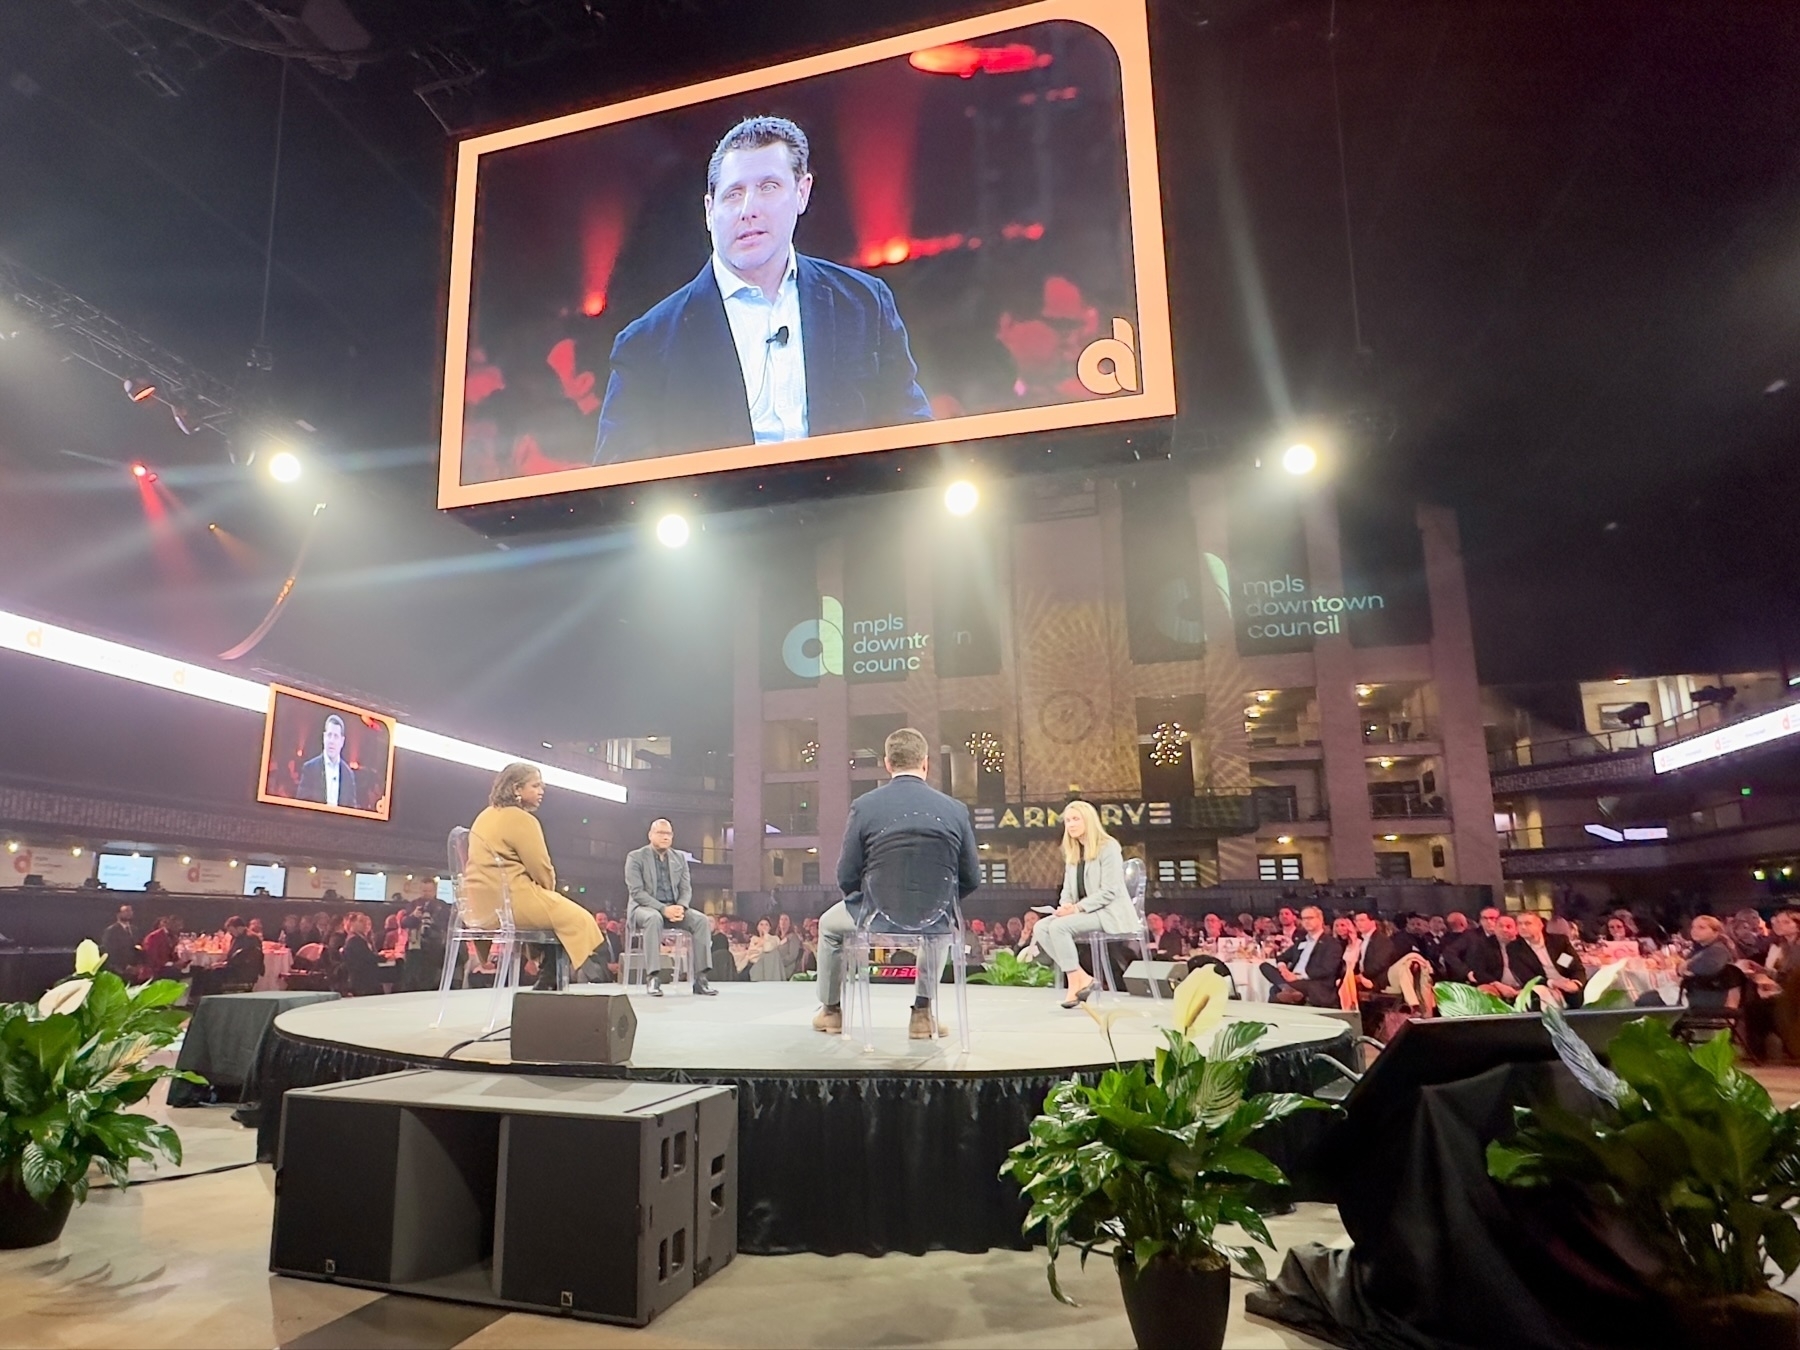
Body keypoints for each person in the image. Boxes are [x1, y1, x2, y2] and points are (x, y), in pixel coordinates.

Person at [593, 115, 931, 466]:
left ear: (802, 193)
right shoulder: (647, 345)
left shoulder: (864, 305)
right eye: (733, 194)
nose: (748, 210)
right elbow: (620, 486)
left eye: (768, 188)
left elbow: (913, 436)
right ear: (710, 211)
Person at [813, 728, 979, 1039]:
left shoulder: (865, 806)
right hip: (933, 914)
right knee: (940, 926)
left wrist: (861, 901)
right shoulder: (955, 810)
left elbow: (846, 873)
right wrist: (939, 903)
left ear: (888, 763)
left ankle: (831, 1012)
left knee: (828, 926)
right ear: (925, 763)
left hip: (874, 912)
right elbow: (972, 877)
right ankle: (922, 1014)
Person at [465, 762, 602, 986]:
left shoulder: (483, 816)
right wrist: (548, 892)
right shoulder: (523, 819)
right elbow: (541, 869)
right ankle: (571, 973)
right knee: (579, 918)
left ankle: (550, 975)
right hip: (510, 902)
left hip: (478, 906)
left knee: (552, 915)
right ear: (517, 789)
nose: (541, 792)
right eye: (536, 786)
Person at [1028, 802, 1138, 1009]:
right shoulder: (1072, 851)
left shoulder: (1108, 846)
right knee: (1041, 927)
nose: (1071, 824)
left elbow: (1110, 890)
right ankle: (1081, 976)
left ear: (1089, 820)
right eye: (1068, 821)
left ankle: (1073, 982)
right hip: (1083, 911)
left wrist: (1076, 909)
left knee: (1059, 927)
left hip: (1108, 911)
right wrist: (1064, 907)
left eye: (1076, 819)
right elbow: (1068, 891)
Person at [624, 819, 717, 996]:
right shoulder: (635, 857)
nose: (665, 837)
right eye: (661, 833)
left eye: (668, 834)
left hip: (673, 909)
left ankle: (700, 979)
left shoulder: (679, 858)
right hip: (643, 908)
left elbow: (685, 888)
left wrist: (681, 907)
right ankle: (653, 978)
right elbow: (637, 892)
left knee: (701, 920)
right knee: (654, 918)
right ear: (650, 835)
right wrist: (662, 909)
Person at [1260, 905, 1344, 1007]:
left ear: (1320, 919)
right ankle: (1287, 988)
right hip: (1291, 978)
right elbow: (1282, 957)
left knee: (1274, 991)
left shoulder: (1331, 943)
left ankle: (1285, 990)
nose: (1307, 921)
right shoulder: (1301, 941)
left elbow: (1327, 969)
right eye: (1304, 919)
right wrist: (1283, 969)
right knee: (1264, 966)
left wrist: (1297, 977)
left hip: (1313, 982)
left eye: (1310, 918)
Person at [1517, 910, 1586, 1006]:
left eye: (1527, 923)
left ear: (1540, 925)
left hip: (1566, 983)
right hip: (1542, 987)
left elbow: (1575, 967)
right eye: (1519, 924)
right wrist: (1552, 983)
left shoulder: (1559, 942)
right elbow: (1528, 978)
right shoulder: (1515, 948)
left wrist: (1576, 983)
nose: (1522, 927)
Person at [297, 714, 360, 809]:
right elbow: (301, 805)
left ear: (342, 741)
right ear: (324, 737)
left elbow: (351, 809)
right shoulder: (310, 769)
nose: (331, 741)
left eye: (336, 736)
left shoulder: (348, 774)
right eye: (329, 735)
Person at [338, 912, 382, 997]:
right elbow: (367, 957)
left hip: (366, 978)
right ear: (352, 923)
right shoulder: (354, 940)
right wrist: (383, 957)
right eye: (361, 921)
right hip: (361, 980)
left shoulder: (362, 938)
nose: (364, 923)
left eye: (365, 921)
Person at [140, 914, 186, 982]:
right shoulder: (153, 937)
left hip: (167, 968)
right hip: (154, 970)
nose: (179, 928)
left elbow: (172, 955)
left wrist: (180, 962)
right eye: (177, 926)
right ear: (168, 923)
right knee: (174, 972)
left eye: (180, 926)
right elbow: (151, 959)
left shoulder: (174, 937)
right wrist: (172, 964)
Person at [99, 904, 139, 976]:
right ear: (118, 914)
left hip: (135, 970)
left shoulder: (135, 930)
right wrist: (125, 966)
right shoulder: (111, 931)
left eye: (130, 911)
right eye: (126, 911)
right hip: (118, 970)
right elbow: (110, 951)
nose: (129, 913)